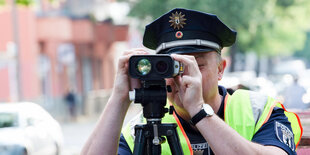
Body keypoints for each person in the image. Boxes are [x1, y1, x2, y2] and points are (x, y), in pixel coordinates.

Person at [82, 8, 302, 155]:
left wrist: (199, 112)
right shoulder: (140, 129)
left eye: (198, 65)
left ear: (220, 69)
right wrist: (119, 99)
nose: (183, 76)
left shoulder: (260, 110)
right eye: (172, 66)